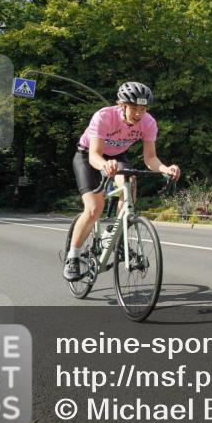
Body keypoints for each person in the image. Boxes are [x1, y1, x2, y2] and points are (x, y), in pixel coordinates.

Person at [64, 82, 181, 281]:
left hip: (117, 157)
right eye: (134, 108)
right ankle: (73, 257)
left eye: (143, 109)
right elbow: (94, 155)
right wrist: (103, 166)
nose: (138, 114)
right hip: (88, 157)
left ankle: (114, 232)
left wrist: (165, 168)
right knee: (94, 209)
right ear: (121, 105)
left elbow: (150, 158)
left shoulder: (149, 123)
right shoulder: (104, 116)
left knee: (130, 183)